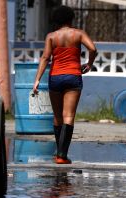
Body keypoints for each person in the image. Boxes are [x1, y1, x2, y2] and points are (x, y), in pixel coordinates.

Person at [32, 5, 97, 164]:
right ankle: (62, 155)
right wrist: (89, 63)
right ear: (70, 18)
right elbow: (93, 49)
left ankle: (58, 153)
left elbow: (45, 58)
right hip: (73, 76)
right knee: (69, 116)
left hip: (55, 77)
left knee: (57, 116)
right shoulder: (79, 34)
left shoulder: (51, 37)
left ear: (56, 20)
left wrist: (37, 80)